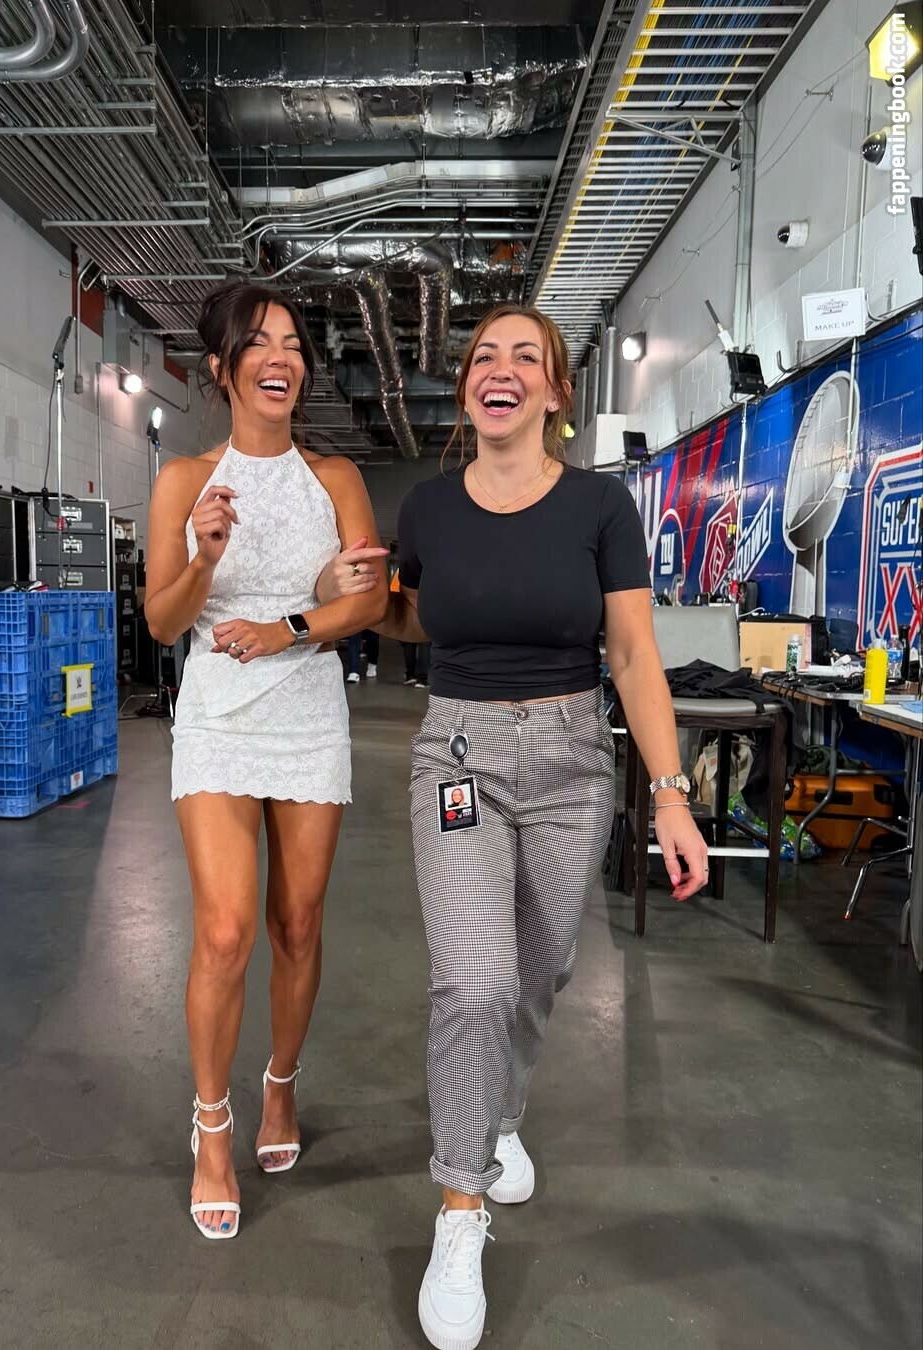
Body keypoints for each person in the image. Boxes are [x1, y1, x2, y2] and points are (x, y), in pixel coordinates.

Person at [318, 303, 708, 1349]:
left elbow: (632, 654)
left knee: (540, 973)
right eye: (483, 356)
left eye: (523, 356)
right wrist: (358, 594)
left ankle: (499, 1116)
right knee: (474, 982)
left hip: (574, 761)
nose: (499, 370)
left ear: (554, 390)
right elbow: (412, 618)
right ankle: (460, 1206)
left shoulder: (601, 506)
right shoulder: (431, 510)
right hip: (459, 755)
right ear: (468, 389)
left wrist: (671, 794)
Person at [145, 279, 387, 1241]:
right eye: (261, 342)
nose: (282, 357)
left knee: (297, 922)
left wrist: (289, 626)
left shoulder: (335, 478)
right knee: (225, 931)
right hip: (216, 712)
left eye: (293, 342)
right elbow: (162, 622)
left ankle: (280, 1082)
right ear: (223, 367)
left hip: (307, 707)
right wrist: (204, 558)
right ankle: (212, 1125)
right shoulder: (182, 481)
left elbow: (369, 600)